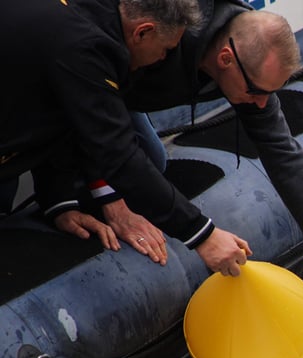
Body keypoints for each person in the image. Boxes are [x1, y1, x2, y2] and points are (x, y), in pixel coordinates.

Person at [118, 0, 303, 321]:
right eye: (256, 90)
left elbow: (284, 155)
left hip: (123, 99)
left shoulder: (244, 66)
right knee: (116, 172)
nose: (261, 103)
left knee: (153, 157)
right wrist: (110, 199)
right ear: (226, 59)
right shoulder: (163, 33)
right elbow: (90, 116)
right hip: (82, 85)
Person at [0, 0, 250, 269]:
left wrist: (58, 199)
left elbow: (65, 114)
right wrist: (203, 235)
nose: (163, 59)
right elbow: (117, 154)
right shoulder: (85, 46)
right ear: (142, 32)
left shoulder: (92, 20)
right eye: (166, 50)